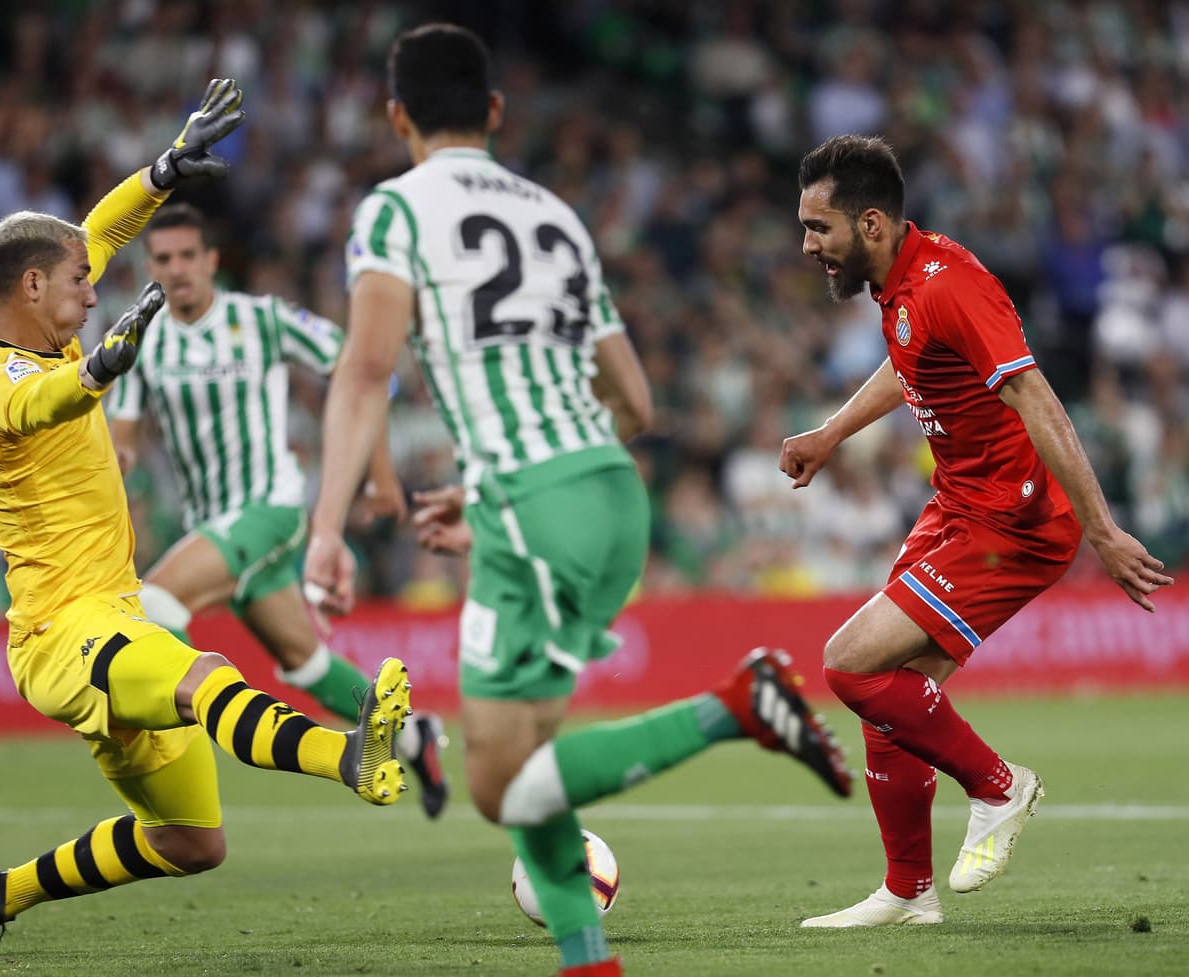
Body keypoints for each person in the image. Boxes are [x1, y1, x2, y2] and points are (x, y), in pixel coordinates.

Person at [301, 25, 852, 977]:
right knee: (526, 772)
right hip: (604, 495)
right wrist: (496, 487)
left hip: (532, 507)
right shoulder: (555, 217)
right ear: (498, 114)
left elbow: (365, 371)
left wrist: (326, 528)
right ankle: (588, 959)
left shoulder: (393, 212)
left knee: (498, 785)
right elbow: (634, 402)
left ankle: (737, 705)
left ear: (397, 117)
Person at [0, 80, 413, 960]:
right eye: (80, 281)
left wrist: (160, 171)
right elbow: (30, 409)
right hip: (59, 631)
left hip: (109, 612)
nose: (98, 284)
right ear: (31, 286)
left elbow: (99, 232)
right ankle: (346, 755)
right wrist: (99, 373)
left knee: (193, 842)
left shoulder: (49, 322)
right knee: (206, 671)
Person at [785, 134, 1174, 927]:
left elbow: (1037, 398)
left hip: (1014, 519)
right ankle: (907, 892)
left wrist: (1101, 529)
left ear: (870, 224)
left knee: (849, 666)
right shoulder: (899, 284)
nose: (807, 245)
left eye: (819, 228)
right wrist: (831, 432)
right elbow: (911, 362)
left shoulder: (951, 283)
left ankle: (1000, 785)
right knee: (895, 695)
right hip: (960, 503)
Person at [107, 202, 449, 819]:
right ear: (149, 267)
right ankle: (418, 734)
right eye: (163, 259)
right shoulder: (142, 339)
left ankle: (187, 743)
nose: (178, 269)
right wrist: (113, 469)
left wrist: (378, 474)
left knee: (153, 604)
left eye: (189, 255)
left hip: (271, 509)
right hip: (212, 529)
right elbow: (123, 439)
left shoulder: (260, 319)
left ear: (212, 260)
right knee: (306, 662)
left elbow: (359, 368)